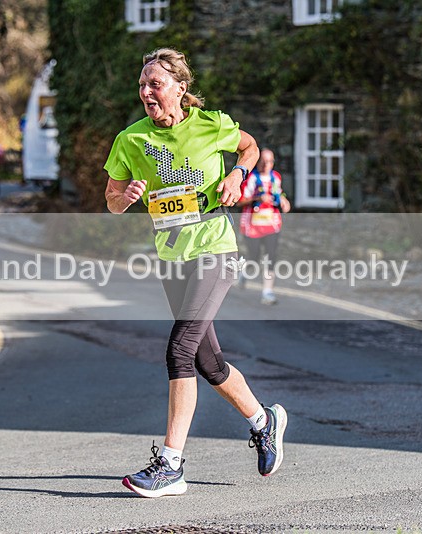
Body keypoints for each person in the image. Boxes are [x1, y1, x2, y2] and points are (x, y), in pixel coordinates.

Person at [104, 48, 288, 498]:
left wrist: (238, 176)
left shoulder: (211, 124)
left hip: (214, 250)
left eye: (156, 83)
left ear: (181, 89)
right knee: (208, 362)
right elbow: (110, 199)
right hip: (173, 258)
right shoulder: (131, 139)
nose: (146, 91)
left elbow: (249, 146)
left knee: (179, 350)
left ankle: (170, 465)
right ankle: (264, 421)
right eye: (142, 84)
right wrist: (125, 196)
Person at [237, 148, 291, 305]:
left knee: (270, 256)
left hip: (271, 223)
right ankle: (244, 272)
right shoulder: (251, 178)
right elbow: (240, 201)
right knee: (253, 257)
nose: (267, 165)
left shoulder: (276, 178)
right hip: (253, 224)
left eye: (270, 161)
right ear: (258, 162)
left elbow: (279, 193)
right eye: (263, 161)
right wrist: (258, 197)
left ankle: (267, 292)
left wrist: (284, 201)